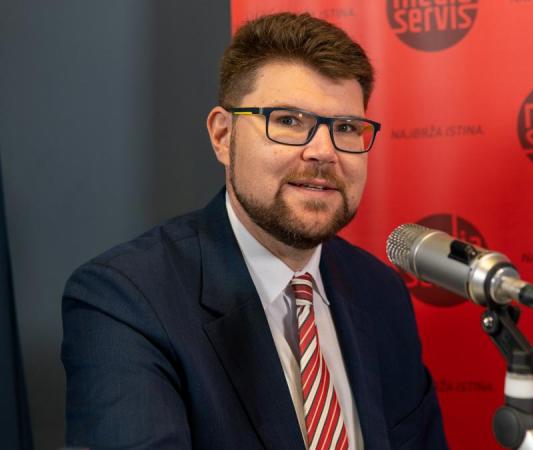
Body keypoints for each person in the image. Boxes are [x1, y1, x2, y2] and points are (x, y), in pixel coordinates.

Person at [61, 12, 448, 450]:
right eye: (289, 121)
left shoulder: (380, 292)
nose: (323, 152)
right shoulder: (127, 299)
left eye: (345, 128)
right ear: (223, 136)